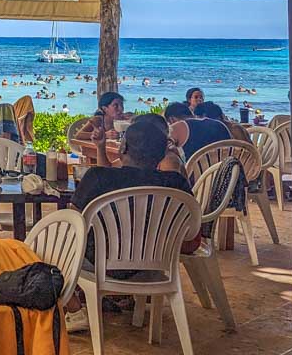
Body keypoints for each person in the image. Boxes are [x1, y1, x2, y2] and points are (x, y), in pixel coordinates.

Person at [71, 114, 196, 265]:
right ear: (163, 153)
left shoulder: (97, 176)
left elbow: (74, 222)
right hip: (156, 261)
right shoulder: (175, 182)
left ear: (123, 148)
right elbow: (192, 234)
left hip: (101, 261)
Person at [165, 101, 232, 159]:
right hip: (226, 170)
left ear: (171, 119)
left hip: (194, 171)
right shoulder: (219, 124)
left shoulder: (177, 127)